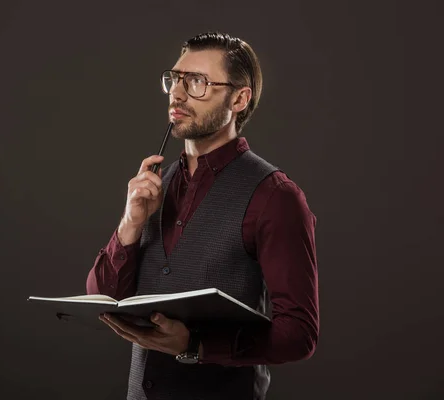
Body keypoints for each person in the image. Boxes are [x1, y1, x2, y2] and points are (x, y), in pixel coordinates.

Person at [86, 31, 319, 400]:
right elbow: (104, 298)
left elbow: (299, 334)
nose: (177, 94)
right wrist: (129, 224)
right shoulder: (155, 185)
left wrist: (196, 344)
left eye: (198, 82)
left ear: (239, 98)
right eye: (176, 79)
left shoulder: (275, 196)